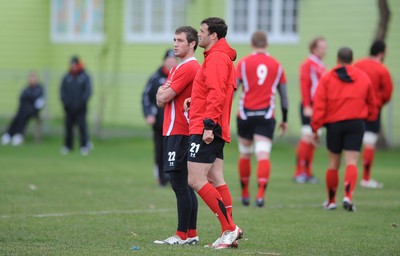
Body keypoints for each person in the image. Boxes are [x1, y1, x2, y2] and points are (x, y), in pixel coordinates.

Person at [185, 17, 242, 249]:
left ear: (214, 36)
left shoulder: (217, 58)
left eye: (202, 31)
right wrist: (194, 100)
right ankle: (227, 232)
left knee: (195, 179)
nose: (199, 35)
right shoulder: (217, 56)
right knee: (215, 178)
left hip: (206, 126)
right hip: (212, 123)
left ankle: (230, 229)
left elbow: (217, 93)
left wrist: (208, 125)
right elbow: (212, 92)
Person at [311, 47, 377, 212]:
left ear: (338, 59)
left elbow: (319, 103)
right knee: (352, 162)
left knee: (333, 164)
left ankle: (331, 201)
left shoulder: (327, 77)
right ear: (352, 59)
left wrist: (316, 127)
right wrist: (368, 116)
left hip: (334, 124)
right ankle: (348, 197)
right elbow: (372, 103)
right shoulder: (363, 77)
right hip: (356, 123)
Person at [153, 26, 200, 245]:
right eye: (174, 39)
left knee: (180, 183)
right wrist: (162, 93)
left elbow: (163, 97)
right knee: (183, 183)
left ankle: (182, 235)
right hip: (175, 131)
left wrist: (162, 93)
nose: (175, 44)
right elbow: (160, 97)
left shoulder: (188, 68)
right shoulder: (177, 68)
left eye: (180, 40)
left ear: (192, 44)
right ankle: (191, 233)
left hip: (180, 130)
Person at [235, 31, 289, 207]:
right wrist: (285, 118)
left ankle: (244, 193)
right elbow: (284, 96)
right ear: (266, 44)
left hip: (245, 114)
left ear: (252, 44)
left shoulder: (243, 63)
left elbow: (233, 89)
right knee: (263, 154)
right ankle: (260, 194)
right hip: (266, 115)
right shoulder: (277, 65)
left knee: (245, 153)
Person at [354, 40, 393, 189]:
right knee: (369, 143)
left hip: (356, 109)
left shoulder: (357, 65)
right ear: (382, 53)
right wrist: (378, 103)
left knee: (353, 143)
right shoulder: (382, 70)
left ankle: (349, 175)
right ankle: (365, 178)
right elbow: (388, 93)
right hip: (373, 111)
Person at [293, 37, 328, 183]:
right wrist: (307, 105)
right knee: (307, 137)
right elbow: (305, 84)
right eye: (322, 47)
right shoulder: (308, 64)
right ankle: (299, 172)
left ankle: (308, 172)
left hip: (319, 106)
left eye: (326, 47)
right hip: (310, 106)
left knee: (314, 139)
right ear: (314, 48)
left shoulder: (321, 65)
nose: (325, 50)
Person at [142, 49, 178, 186]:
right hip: (160, 122)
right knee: (160, 150)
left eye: (173, 60)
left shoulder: (179, 76)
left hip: (175, 123)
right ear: (164, 61)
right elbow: (146, 96)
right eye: (168, 60)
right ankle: (161, 177)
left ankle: (172, 176)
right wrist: (149, 114)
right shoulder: (155, 78)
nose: (170, 62)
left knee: (175, 150)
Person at [60, 56, 92, 156]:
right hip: (69, 108)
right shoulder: (67, 77)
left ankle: (84, 145)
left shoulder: (84, 77)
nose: (73, 67)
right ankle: (68, 146)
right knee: (68, 127)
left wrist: (80, 103)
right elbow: (62, 91)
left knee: (82, 127)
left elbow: (87, 92)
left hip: (80, 108)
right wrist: (66, 103)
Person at [1, 72, 45, 146]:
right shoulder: (26, 88)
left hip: (33, 111)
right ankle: (9, 134)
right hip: (23, 110)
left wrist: (31, 104)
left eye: (33, 78)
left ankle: (18, 134)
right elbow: (22, 98)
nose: (31, 80)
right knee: (18, 116)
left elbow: (39, 101)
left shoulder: (39, 89)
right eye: (30, 78)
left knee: (23, 114)